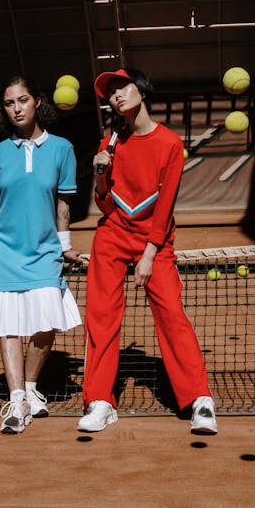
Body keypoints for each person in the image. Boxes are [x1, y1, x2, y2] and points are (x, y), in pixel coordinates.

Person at [79, 67, 218, 435]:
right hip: (112, 235)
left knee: (171, 311)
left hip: (153, 240)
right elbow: (106, 206)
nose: (117, 95)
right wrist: (99, 174)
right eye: (111, 93)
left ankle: (199, 400)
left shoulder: (170, 143)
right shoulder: (108, 144)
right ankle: (101, 401)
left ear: (141, 89)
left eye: (122, 87)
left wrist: (149, 254)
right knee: (101, 315)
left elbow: (166, 204)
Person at [0, 75, 82, 435]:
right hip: (2, 253)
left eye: (23, 100)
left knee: (47, 323)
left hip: (44, 251)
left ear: (37, 103)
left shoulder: (62, 149)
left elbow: (63, 203)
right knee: (9, 326)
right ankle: (17, 399)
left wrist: (64, 247)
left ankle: (30, 389)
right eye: (10, 103)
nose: (16, 108)